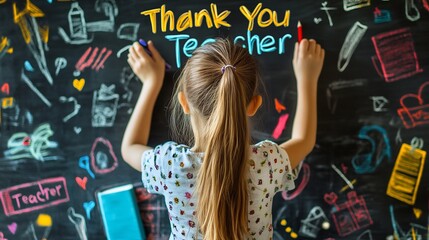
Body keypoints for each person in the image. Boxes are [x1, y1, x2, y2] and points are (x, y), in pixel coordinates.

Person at [122, 38, 324, 240]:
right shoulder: (267, 162)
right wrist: (308, 78)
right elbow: (304, 140)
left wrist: (151, 82)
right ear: (254, 105)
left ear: (183, 102)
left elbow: (130, 147)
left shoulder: (169, 165)